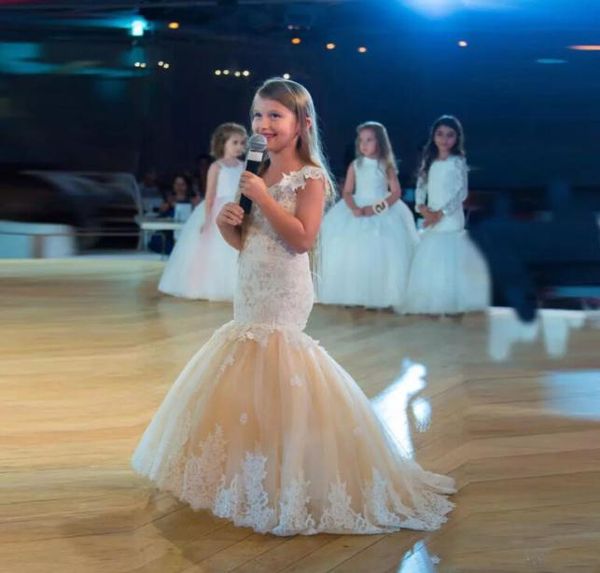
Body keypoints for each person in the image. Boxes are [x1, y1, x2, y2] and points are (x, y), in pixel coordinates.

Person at [132, 78, 455, 536]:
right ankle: (248, 470)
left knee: (280, 366)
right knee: (245, 370)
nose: (264, 124)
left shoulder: (311, 176)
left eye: (274, 116)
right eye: (258, 116)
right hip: (251, 279)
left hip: (284, 284)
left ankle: (288, 469)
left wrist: (264, 197)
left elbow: (302, 238)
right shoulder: (255, 165)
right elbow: (242, 240)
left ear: (302, 123)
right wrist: (229, 223)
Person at [319, 121, 418, 308]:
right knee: (346, 247)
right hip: (356, 207)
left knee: (384, 247)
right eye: (361, 140)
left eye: (369, 140)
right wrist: (354, 208)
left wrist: (376, 209)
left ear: (380, 142)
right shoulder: (355, 166)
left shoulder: (385, 166)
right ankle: (350, 294)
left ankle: (381, 295)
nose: (364, 144)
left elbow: (396, 192)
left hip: (380, 207)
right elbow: (347, 192)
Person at [401, 115, 490, 315]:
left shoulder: (458, 161)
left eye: (450, 135)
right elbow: (421, 186)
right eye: (440, 134)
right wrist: (421, 207)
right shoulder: (428, 160)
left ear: (457, 138)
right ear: (433, 136)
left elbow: (461, 192)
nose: (444, 139)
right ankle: (430, 300)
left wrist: (442, 213)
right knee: (430, 256)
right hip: (430, 213)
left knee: (448, 258)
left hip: (450, 216)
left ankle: (450, 303)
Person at [158, 123, 247, 300]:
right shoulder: (217, 167)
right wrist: (208, 220)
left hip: (238, 209)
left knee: (238, 249)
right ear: (223, 143)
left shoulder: (243, 165)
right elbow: (210, 194)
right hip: (219, 210)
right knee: (214, 250)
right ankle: (209, 286)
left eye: (243, 143)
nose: (240, 147)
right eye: (235, 142)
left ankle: (240, 286)